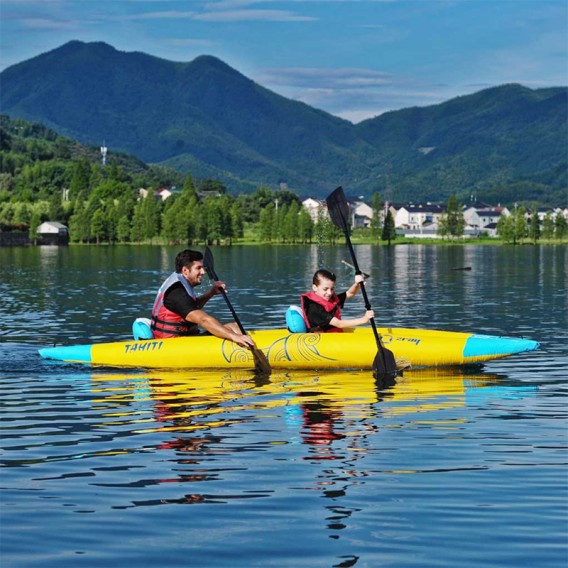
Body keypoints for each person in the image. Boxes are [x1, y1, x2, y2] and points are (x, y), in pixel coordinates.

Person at [150, 249, 255, 349]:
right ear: (185, 270)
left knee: (233, 326)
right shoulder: (177, 292)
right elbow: (203, 319)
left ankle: (248, 344)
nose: (203, 271)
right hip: (172, 345)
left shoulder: (180, 282)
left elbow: (190, 308)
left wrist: (211, 293)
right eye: (198, 268)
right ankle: (248, 350)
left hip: (184, 339)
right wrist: (234, 337)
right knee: (233, 331)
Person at [300, 269, 374, 333]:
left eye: (332, 289)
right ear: (315, 287)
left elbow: (350, 293)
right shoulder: (314, 308)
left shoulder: (331, 300)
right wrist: (364, 319)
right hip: (322, 341)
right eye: (325, 289)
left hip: (334, 336)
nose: (329, 293)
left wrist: (357, 284)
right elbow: (339, 324)